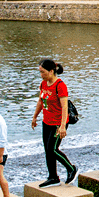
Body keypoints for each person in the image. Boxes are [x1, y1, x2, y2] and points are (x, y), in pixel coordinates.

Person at [32, 59, 77, 187]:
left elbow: (64, 108)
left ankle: (71, 168)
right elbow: (41, 101)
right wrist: (35, 117)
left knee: (53, 149)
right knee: (47, 150)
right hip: (46, 122)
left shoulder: (60, 85)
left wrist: (63, 126)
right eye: (40, 72)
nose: (41, 75)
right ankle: (53, 177)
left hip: (58, 123)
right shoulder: (43, 84)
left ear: (51, 71)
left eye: (43, 72)